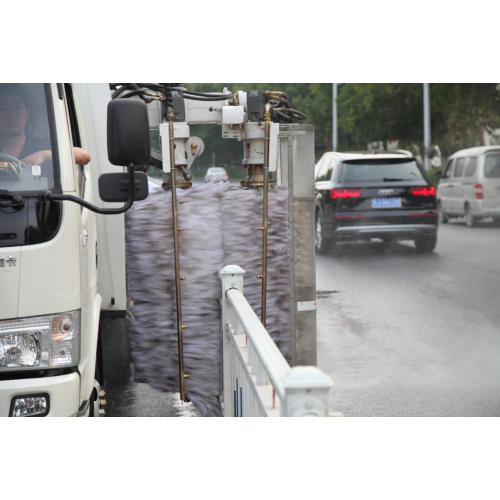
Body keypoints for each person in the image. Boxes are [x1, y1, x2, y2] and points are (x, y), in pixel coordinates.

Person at [0, 83, 91, 167]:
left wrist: (44, 155)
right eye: (3, 108)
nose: (11, 114)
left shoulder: (43, 146)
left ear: (27, 113)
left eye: (17, 107)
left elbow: (84, 156)